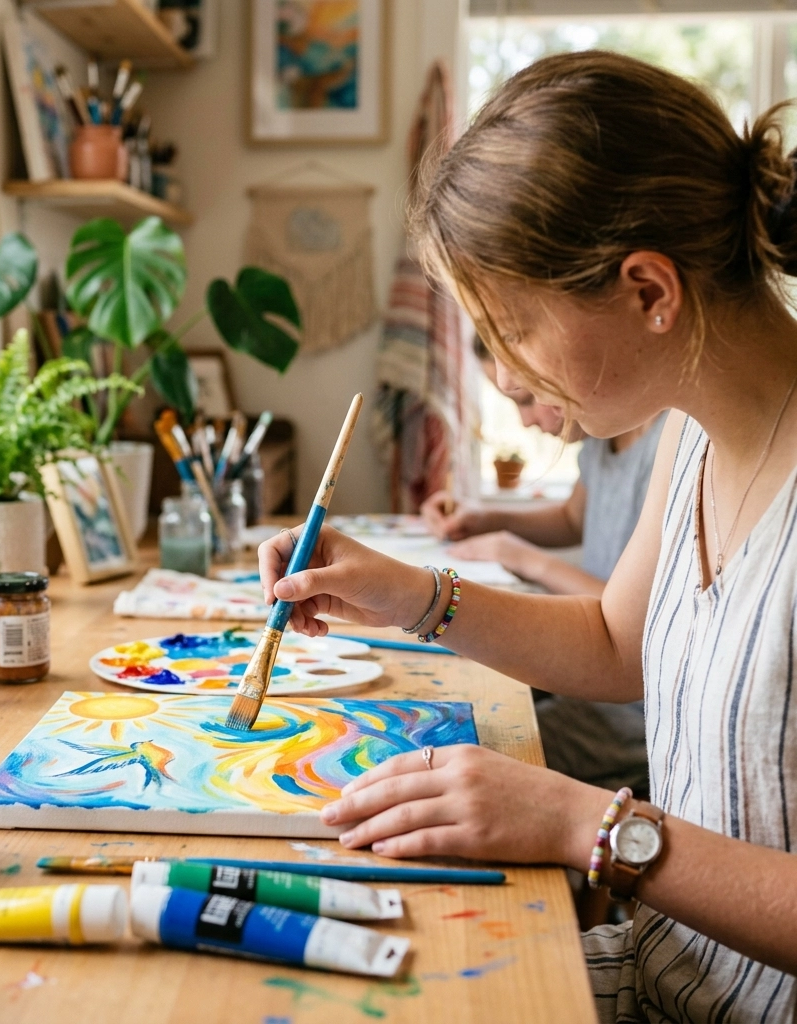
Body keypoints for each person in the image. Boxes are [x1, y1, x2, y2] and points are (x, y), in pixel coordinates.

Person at [258, 52, 797, 1021]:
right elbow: (612, 644)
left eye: (511, 329)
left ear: (647, 291)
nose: (505, 376)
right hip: (659, 978)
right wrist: (408, 592)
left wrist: (582, 822)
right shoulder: (690, 430)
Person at [422, 336, 666, 599]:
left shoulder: (665, 446)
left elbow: (637, 616)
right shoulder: (600, 438)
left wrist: (526, 560)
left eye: (527, 399)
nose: (525, 423)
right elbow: (573, 520)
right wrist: (487, 520)